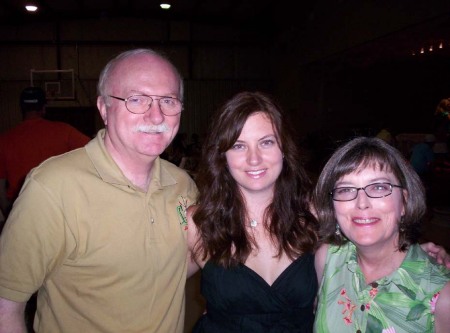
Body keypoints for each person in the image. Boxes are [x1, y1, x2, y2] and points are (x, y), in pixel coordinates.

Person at [0, 48, 198, 333]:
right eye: (137, 99)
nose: (156, 116)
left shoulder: (182, 185)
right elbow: (6, 307)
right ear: (104, 108)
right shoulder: (53, 188)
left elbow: (173, 266)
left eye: (168, 100)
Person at [187, 91, 319, 332]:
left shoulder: (315, 215)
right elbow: (148, 287)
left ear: (284, 149)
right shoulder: (198, 223)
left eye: (266, 142)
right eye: (238, 146)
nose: (254, 159)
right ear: (222, 156)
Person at [313, 137, 450, 333]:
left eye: (378, 187)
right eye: (345, 189)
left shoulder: (443, 296)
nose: (362, 203)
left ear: (404, 201)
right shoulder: (328, 259)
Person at [0, 86, 90, 220]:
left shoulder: (4, 140)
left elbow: (0, 185)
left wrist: (9, 212)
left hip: (20, 207)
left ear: (21, 109)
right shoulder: (65, 132)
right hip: (57, 206)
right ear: (43, 108)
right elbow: (94, 151)